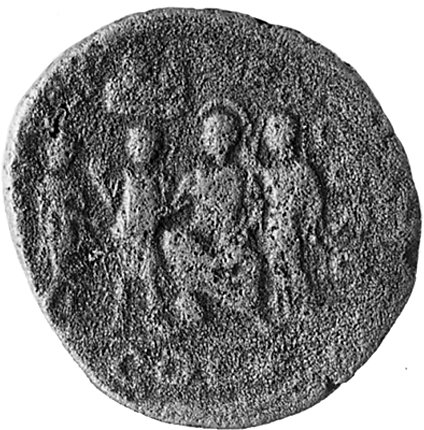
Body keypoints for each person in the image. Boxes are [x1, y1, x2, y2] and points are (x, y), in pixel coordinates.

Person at [161, 101, 262, 324]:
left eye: (224, 135)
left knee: (251, 263)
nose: (218, 141)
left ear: (234, 138)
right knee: (173, 240)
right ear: (204, 139)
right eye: (213, 134)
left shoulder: (242, 176)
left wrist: (242, 231)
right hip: (199, 244)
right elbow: (170, 209)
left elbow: (254, 210)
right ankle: (206, 282)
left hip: (228, 244)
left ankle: (216, 288)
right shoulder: (194, 177)